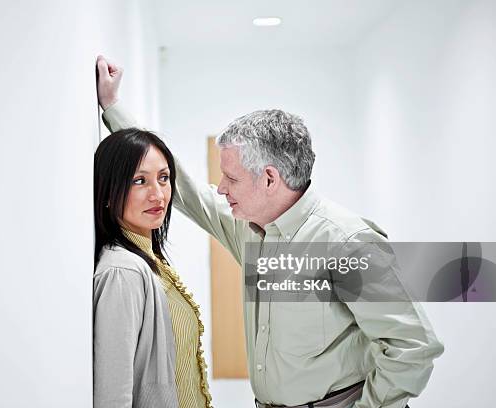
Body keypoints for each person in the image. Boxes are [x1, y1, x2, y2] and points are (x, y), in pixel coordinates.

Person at [96, 55, 444, 408]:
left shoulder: (347, 243)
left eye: (231, 178)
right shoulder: (250, 229)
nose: (220, 188)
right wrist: (113, 108)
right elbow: (185, 188)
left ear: (269, 178)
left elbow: (413, 346)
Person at [93, 127, 213, 408]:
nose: (157, 194)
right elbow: (112, 395)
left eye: (163, 178)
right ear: (109, 192)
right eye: (139, 180)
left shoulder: (149, 261)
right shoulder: (123, 273)